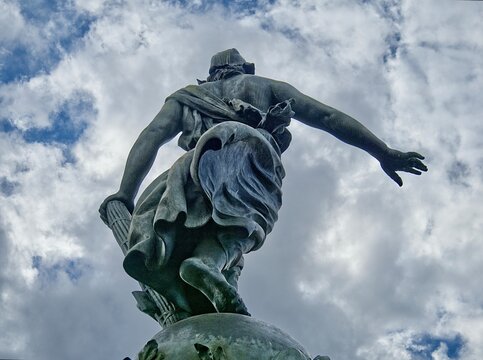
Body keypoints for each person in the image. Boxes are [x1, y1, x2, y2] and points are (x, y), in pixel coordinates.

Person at [99, 48, 427, 318]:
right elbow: (327, 117)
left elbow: (152, 136)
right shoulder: (267, 86)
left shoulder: (186, 98)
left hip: (192, 164)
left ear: (211, 76)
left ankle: (210, 288)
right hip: (247, 149)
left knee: (207, 232)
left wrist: (124, 194)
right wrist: (383, 152)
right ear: (244, 68)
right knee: (242, 227)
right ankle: (205, 265)